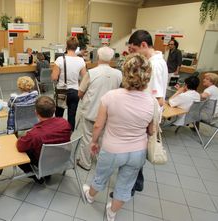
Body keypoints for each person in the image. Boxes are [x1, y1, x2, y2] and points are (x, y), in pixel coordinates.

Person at [82, 54, 154, 221]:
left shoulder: (111, 96)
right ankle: (112, 212)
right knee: (126, 184)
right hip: (138, 151)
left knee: (101, 175)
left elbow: (98, 125)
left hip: (112, 148)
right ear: (147, 75)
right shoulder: (152, 101)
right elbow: (150, 130)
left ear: (125, 73)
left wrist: (93, 142)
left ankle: (90, 196)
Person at [127, 29, 168, 193]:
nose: (134, 55)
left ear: (143, 45)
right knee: (138, 154)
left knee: (136, 155)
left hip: (147, 119)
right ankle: (138, 181)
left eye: (134, 50)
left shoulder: (155, 65)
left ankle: (129, 188)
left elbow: (158, 99)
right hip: (147, 116)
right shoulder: (156, 60)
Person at [77, 46, 122, 171]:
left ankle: (85, 163)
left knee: (87, 137)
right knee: (103, 138)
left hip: (91, 111)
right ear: (111, 58)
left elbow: (80, 93)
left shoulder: (91, 73)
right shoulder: (118, 74)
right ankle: (102, 164)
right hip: (109, 113)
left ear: (97, 57)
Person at [16, 96, 71, 182]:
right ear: (54, 110)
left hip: (43, 163)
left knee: (19, 151)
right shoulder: (65, 123)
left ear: (36, 113)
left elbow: (20, 146)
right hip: (63, 159)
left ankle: (35, 175)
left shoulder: (34, 134)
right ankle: (47, 173)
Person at [51, 36, 87, 130]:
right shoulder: (81, 60)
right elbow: (85, 78)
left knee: (59, 115)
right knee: (72, 115)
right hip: (75, 91)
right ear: (76, 47)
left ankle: (58, 133)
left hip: (62, 91)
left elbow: (54, 77)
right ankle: (69, 136)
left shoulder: (59, 59)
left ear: (66, 46)